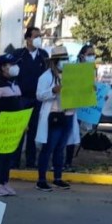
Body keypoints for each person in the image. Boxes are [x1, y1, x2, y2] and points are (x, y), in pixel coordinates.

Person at [35, 46, 75, 192]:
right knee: (48, 148)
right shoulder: (46, 77)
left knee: (61, 148)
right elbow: (39, 95)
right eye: (62, 59)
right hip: (54, 116)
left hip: (68, 114)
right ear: (55, 61)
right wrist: (52, 91)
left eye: (66, 59)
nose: (65, 62)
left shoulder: (71, 75)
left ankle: (57, 177)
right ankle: (41, 179)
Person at [13, 26, 49, 169]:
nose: (38, 39)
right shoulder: (18, 54)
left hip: (38, 99)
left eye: (39, 36)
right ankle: (14, 162)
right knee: (20, 131)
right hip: (22, 98)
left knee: (34, 131)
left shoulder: (44, 55)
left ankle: (30, 162)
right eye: (35, 36)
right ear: (28, 39)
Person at [0, 52, 22, 196]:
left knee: (9, 155)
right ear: (3, 67)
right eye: (11, 64)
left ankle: (5, 181)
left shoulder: (13, 82)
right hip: (0, 125)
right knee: (0, 156)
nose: (15, 67)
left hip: (13, 126)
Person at [64, 44, 96, 171]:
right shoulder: (73, 68)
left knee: (74, 134)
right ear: (82, 55)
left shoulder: (92, 70)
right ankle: (63, 161)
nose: (92, 57)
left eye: (93, 54)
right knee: (68, 134)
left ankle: (68, 161)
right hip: (70, 107)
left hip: (82, 108)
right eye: (89, 54)